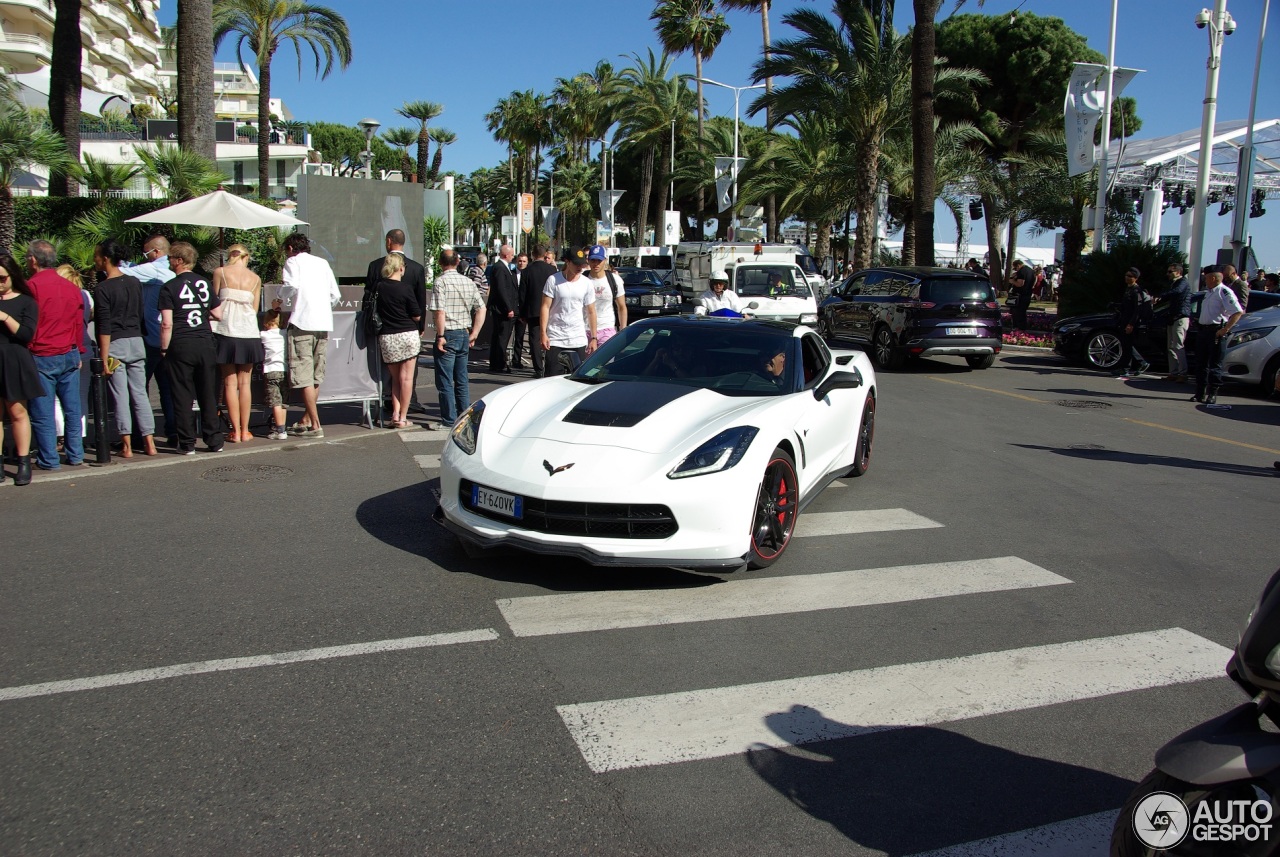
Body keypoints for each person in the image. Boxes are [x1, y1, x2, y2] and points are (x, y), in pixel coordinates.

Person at [24, 239, 85, 471]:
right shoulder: (71, 288)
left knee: (43, 412)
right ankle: (76, 453)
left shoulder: (32, 287)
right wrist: (78, 349)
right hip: (68, 352)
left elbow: (29, 323)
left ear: (32, 260)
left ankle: (49, 458)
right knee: (72, 409)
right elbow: (78, 322)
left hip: (41, 354)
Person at [159, 241, 224, 454]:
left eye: (170, 258)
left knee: (182, 395)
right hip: (205, 342)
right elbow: (218, 313)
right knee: (207, 393)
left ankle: (187, 443)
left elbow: (167, 323)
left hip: (181, 344)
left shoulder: (169, 287)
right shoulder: (204, 283)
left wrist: (164, 349)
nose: (168, 261)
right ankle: (214, 440)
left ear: (179, 261)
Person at [93, 239, 156, 457]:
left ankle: (127, 446)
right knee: (140, 394)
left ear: (106, 259)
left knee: (120, 396)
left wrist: (103, 357)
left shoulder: (102, 288)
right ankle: (150, 443)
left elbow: (104, 324)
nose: (95, 260)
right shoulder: (134, 282)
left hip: (116, 344)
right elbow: (139, 313)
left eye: (97, 256)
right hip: (137, 341)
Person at [275, 233, 340, 439]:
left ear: (291, 248)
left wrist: (279, 299)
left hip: (303, 322)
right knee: (315, 376)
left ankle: (315, 425)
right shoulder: (322, 263)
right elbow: (335, 295)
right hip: (323, 323)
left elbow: (291, 286)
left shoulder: (293, 261)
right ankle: (306, 419)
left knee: (304, 377)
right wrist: (321, 308)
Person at [365, 229, 427, 414]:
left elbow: (368, 300)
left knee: (388, 373)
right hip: (409, 329)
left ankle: (390, 406)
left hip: (385, 329)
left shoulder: (375, 266)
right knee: (408, 375)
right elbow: (420, 300)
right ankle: (406, 408)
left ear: (389, 241)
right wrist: (420, 326)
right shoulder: (416, 268)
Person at [123, 234, 177, 445]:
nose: (144, 257)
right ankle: (173, 431)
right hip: (166, 340)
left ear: (156, 252)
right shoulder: (169, 273)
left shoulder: (153, 269)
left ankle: (139, 435)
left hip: (149, 339)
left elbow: (122, 273)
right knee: (167, 388)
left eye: (146, 253)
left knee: (138, 388)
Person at [210, 244, 264, 443]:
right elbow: (255, 308)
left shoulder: (220, 273)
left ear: (229, 255)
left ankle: (235, 431)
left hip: (225, 331)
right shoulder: (255, 279)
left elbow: (212, 302)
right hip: (249, 332)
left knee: (229, 383)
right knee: (245, 383)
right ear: (246, 256)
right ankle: (246, 430)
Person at [428, 249, 485, 431]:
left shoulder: (441, 282)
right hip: (463, 332)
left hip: (449, 333)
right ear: (457, 262)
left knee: (445, 379)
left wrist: (440, 335)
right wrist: (475, 332)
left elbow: (439, 311)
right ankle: (464, 416)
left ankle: (448, 419)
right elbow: (481, 308)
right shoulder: (468, 282)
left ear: (440, 262)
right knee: (461, 379)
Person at [0, 253, 41, 485]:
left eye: (2, 278)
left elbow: (26, 334)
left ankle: (23, 462)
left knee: (17, 412)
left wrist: (5, 317)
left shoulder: (26, 302)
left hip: (15, 358)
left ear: (12, 275)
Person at [374, 253, 422, 427]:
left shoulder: (379, 287)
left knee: (395, 379)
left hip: (387, 336)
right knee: (407, 379)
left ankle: (394, 413)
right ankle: (403, 417)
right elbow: (416, 315)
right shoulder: (406, 288)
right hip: (407, 334)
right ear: (400, 268)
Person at [540, 246, 598, 376]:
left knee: (577, 380)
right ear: (567, 262)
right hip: (556, 338)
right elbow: (545, 307)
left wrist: (594, 337)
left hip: (577, 338)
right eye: (576, 264)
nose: (580, 268)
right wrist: (543, 333)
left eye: (582, 264)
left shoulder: (586, 283)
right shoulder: (553, 280)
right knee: (552, 379)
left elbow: (591, 311)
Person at [1191, 265, 1244, 406]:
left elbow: (1237, 312)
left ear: (1213, 278)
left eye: (1206, 277)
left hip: (1216, 332)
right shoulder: (1208, 292)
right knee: (1201, 364)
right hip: (1203, 331)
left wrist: (1225, 329)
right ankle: (1199, 392)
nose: (1204, 280)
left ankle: (1212, 393)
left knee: (1214, 364)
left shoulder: (1224, 292)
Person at [522, 245, 558, 378]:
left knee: (534, 340)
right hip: (550, 309)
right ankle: (549, 366)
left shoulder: (527, 271)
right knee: (550, 337)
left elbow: (523, 293)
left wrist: (523, 312)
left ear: (532, 254)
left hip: (532, 310)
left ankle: (538, 368)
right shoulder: (552, 270)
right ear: (544, 256)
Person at [583, 244, 626, 345]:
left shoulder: (614, 280)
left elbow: (621, 307)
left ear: (605, 260)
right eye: (593, 260)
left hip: (607, 328)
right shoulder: (582, 279)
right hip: (585, 330)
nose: (596, 264)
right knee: (587, 361)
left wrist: (623, 331)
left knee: (606, 361)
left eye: (599, 260)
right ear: (588, 260)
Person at [486, 244, 520, 372]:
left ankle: (496, 362)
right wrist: (509, 308)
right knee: (502, 337)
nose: (513, 257)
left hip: (503, 309)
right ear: (506, 255)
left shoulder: (504, 268)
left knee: (500, 336)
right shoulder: (500, 268)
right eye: (511, 254)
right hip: (502, 310)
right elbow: (501, 290)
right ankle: (499, 363)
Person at [1113, 267, 1151, 377]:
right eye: (1126, 275)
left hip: (1131, 322)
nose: (1127, 277)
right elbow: (1126, 306)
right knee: (1126, 344)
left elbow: (1137, 309)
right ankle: (1136, 364)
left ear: (1135, 278)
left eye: (1130, 276)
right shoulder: (1128, 289)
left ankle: (1133, 365)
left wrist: (1131, 324)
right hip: (1124, 320)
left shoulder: (1136, 291)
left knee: (1127, 345)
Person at [1160, 262, 1193, 383]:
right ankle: (1173, 372)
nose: (1168, 274)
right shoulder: (1174, 284)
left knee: (1178, 346)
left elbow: (1177, 291)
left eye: (1170, 271)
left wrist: (1162, 296)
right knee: (1171, 346)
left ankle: (1182, 373)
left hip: (1180, 317)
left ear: (1178, 272)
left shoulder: (1182, 282)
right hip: (1173, 317)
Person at [259, 310, 287, 440]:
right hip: (285, 369)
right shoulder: (285, 333)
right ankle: (282, 427)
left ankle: (280, 430)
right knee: (283, 402)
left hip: (271, 370)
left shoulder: (263, 335)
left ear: (265, 322)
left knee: (275, 402)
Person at [510, 252, 532, 370]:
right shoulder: (511, 274)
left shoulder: (529, 274)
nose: (521, 263)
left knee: (519, 337)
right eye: (519, 261)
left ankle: (516, 360)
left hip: (523, 311)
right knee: (508, 336)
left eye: (524, 261)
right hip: (512, 309)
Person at [1008, 260, 1034, 330]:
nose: (1015, 270)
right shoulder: (1031, 271)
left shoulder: (1022, 271)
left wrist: (1012, 281)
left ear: (1018, 265)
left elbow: (1020, 284)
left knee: (1017, 313)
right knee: (1023, 312)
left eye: (1015, 268)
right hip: (1027, 294)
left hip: (1019, 295)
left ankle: (1018, 328)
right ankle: (1023, 327)